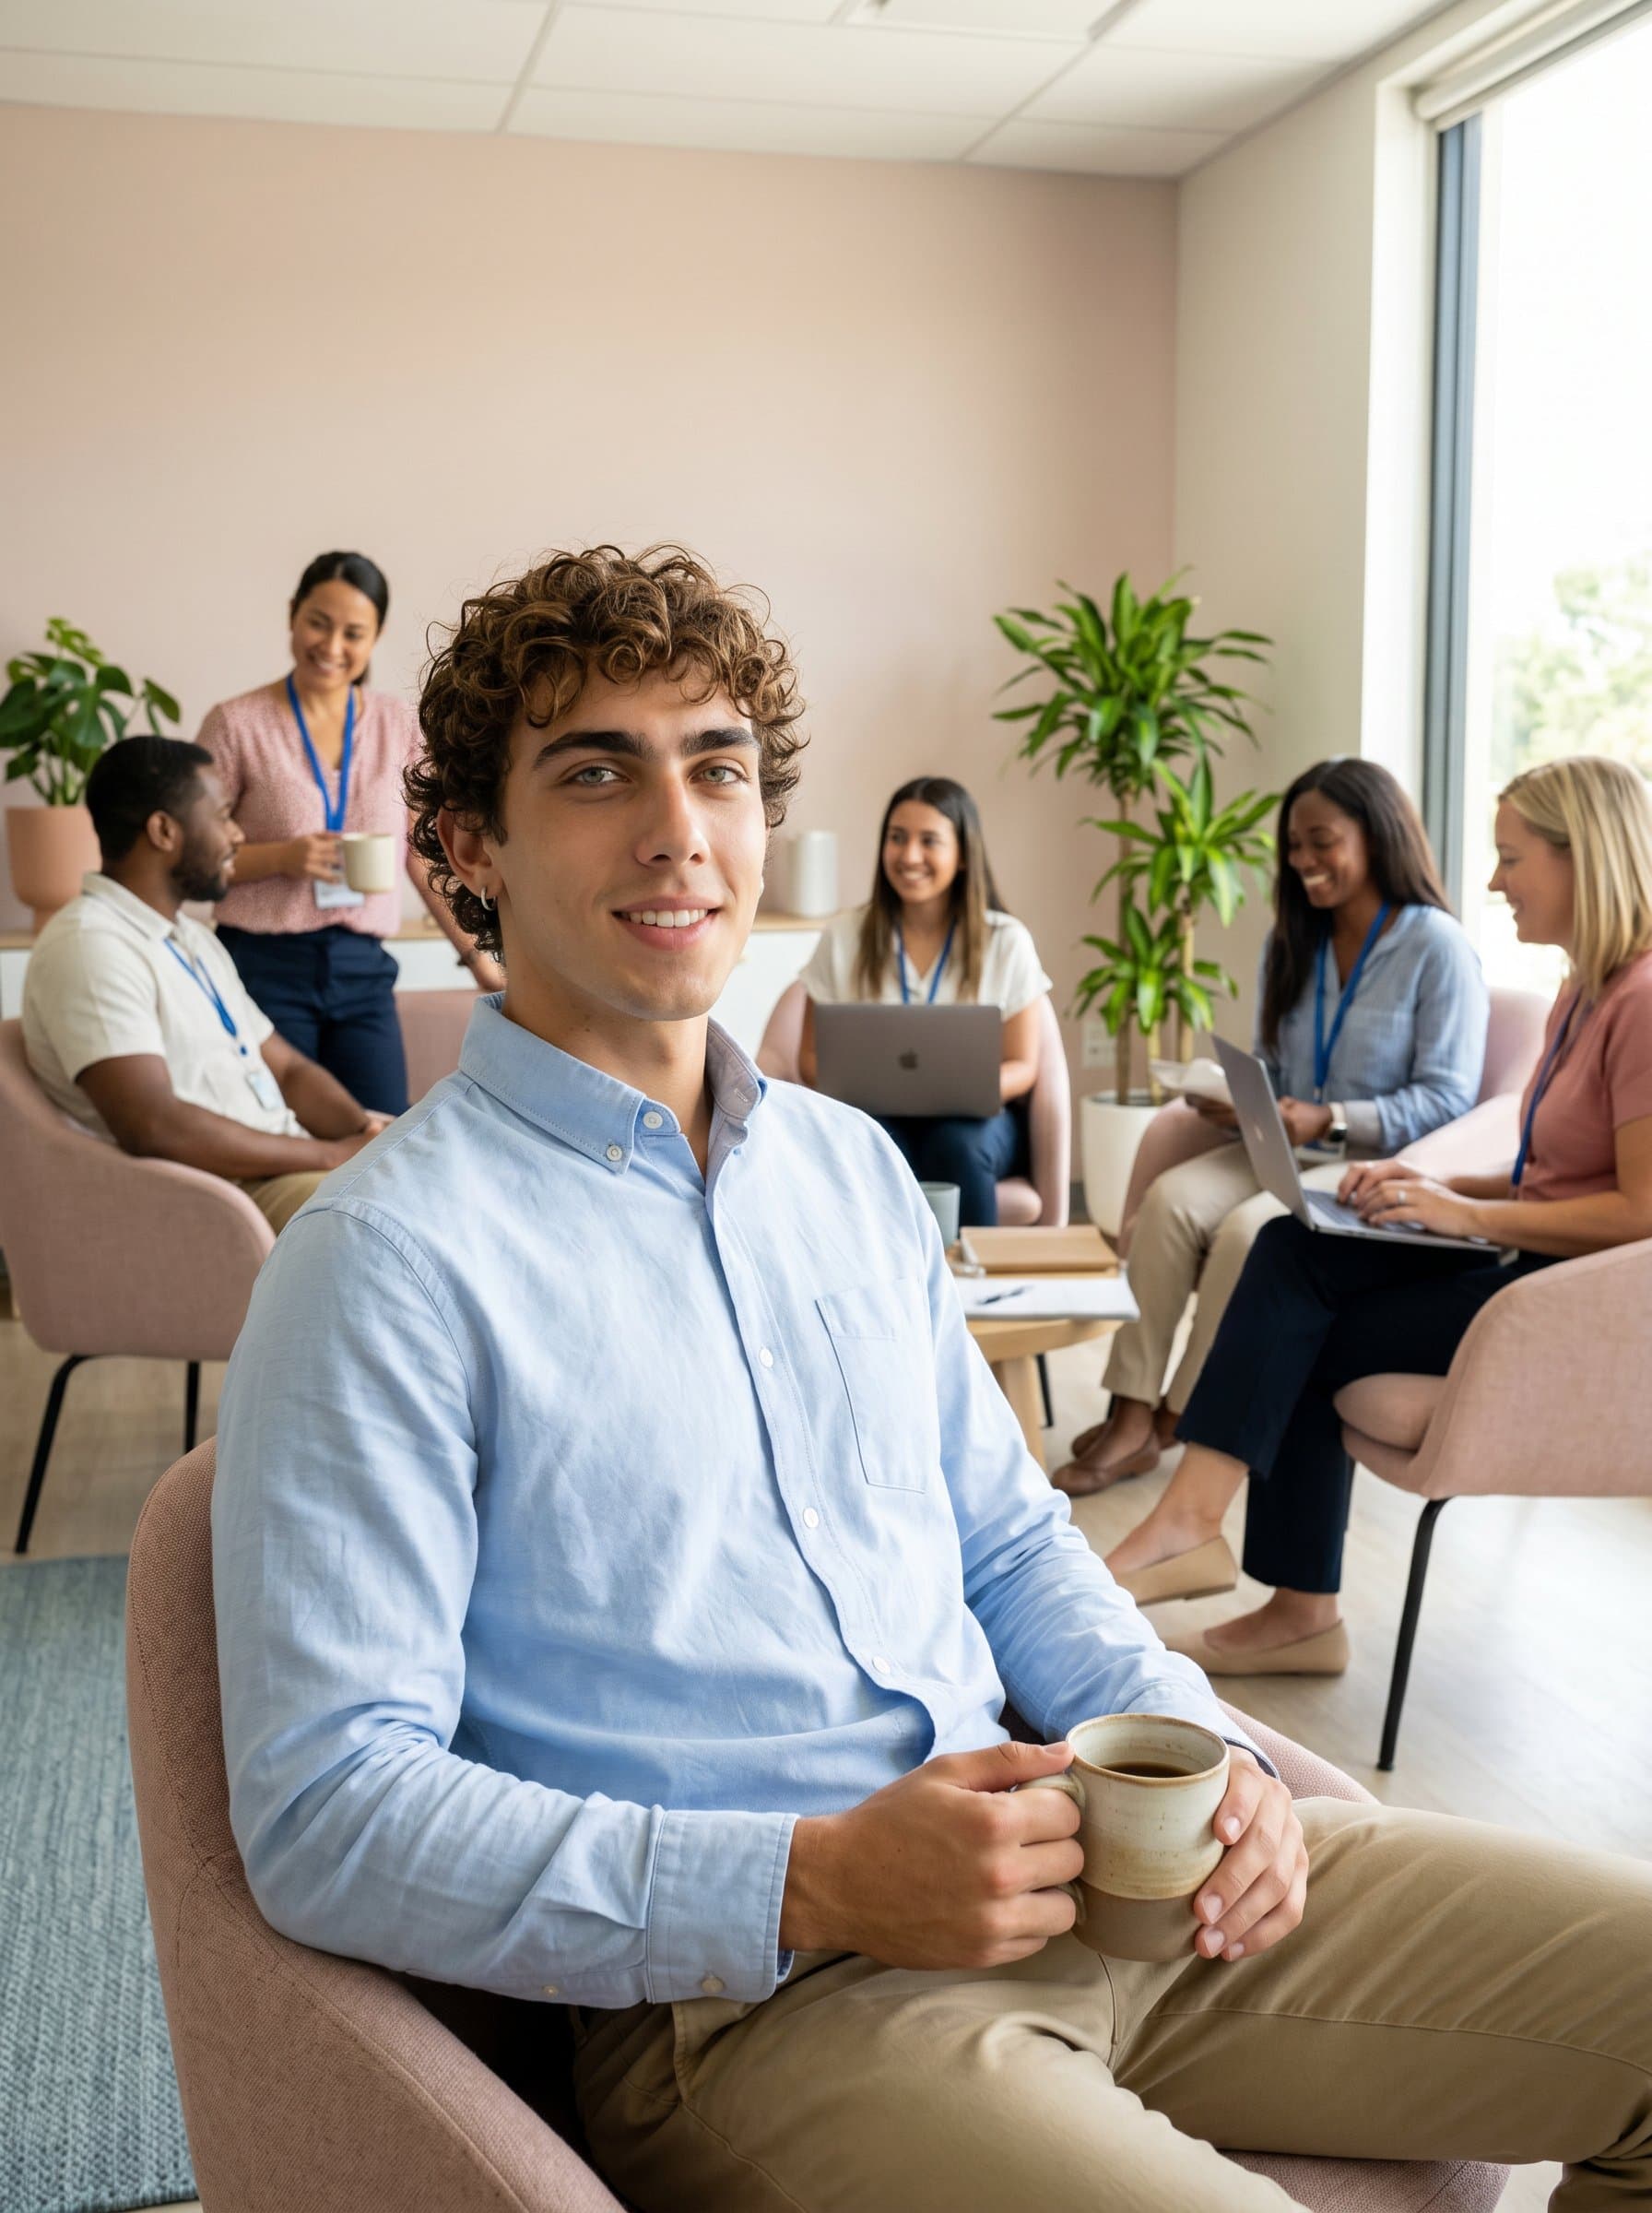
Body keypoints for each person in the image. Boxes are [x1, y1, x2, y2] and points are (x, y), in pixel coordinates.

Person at [212, 550, 1652, 2211]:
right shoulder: (384, 1263)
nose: (679, 826)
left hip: (1103, 1870)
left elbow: (1010, 1542)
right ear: (467, 848)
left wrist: (1207, 1756)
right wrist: (807, 1885)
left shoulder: (843, 1177)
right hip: (770, 2009)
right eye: (596, 770)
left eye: (720, 765)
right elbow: (328, 1812)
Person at [1103, 753, 1652, 1675]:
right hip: (1525, 1263)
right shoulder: (1581, 992)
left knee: (1296, 1282)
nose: (1491, 881)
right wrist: (1433, 1196)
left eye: (1511, 858)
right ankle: (1281, 1601)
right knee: (1299, 1249)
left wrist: (1465, 1215)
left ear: (1580, 856)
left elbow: (1639, 1214)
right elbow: (1554, 1178)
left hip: (1562, 1308)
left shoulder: (1641, 1004)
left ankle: (1210, 1541)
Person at [1055, 758, 1486, 1496]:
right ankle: (1131, 1412)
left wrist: (1336, 1116)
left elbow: (1448, 1097)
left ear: (1376, 836)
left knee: (1246, 1233)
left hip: (1365, 1166)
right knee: (1168, 1202)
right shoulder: (1293, 941)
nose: (1304, 862)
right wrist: (1236, 1096)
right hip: (1279, 1143)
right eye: (1293, 846)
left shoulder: (1436, 948)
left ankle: (1180, 1417)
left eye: (1322, 841)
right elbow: (1277, 1068)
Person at [22, 738, 387, 1235]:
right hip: (225, 1196)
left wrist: (363, 1132)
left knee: (436, 1175)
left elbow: (288, 1069)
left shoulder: (192, 938)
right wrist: (331, 1155)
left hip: (283, 1165)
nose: (237, 835)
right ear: (164, 830)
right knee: (402, 1211)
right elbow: (153, 1123)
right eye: (222, 816)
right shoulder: (90, 945)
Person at [195, 550, 503, 1117]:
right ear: (292, 614)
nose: (332, 646)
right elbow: (191, 861)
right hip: (262, 967)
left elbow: (424, 856)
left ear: (375, 637)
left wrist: (480, 958)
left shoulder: (398, 724)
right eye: (318, 622)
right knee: (281, 1136)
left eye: (353, 632)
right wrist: (280, 858)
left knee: (379, 1134)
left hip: (362, 969)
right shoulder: (234, 724)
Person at [796, 775, 1051, 1225]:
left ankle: (973, 1285)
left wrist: (955, 1092)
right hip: (877, 1114)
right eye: (897, 839)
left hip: (975, 1124)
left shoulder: (1006, 942)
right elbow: (812, 1059)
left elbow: (1023, 1066)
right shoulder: (844, 936)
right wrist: (877, 1086)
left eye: (928, 840)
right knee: (871, 1143)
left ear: (964, 855)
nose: (909, 856)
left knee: (956, 1145)